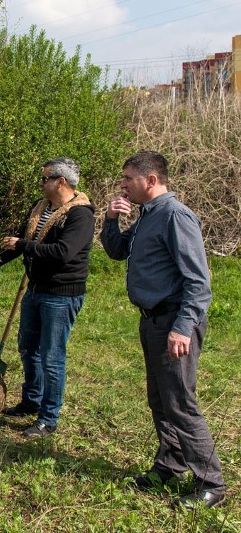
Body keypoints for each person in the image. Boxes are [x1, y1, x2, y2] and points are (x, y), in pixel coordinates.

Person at [100, 150, 226, 510]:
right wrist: (111, 220)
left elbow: (199, 283)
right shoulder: (147, 216)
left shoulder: (175, 216)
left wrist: (183, 327)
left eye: (128, 178)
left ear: (150, 181)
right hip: (152, 320)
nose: (122, 184)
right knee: (160, 400)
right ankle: (170, 466)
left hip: (173, 322)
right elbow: (117, 251)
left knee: (180, 403)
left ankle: (211, 482)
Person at [0, 158, 94, 439]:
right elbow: (17, 241)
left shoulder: (80, 215)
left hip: (61, 296)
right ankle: (31, 401)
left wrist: (25, 245)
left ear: (60, 182)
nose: (41, 184)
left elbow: (63, 252)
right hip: (36, 289)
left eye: (44, 179)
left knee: (52, 357)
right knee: (28, 348)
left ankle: (48, 418)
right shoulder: (40, 207)